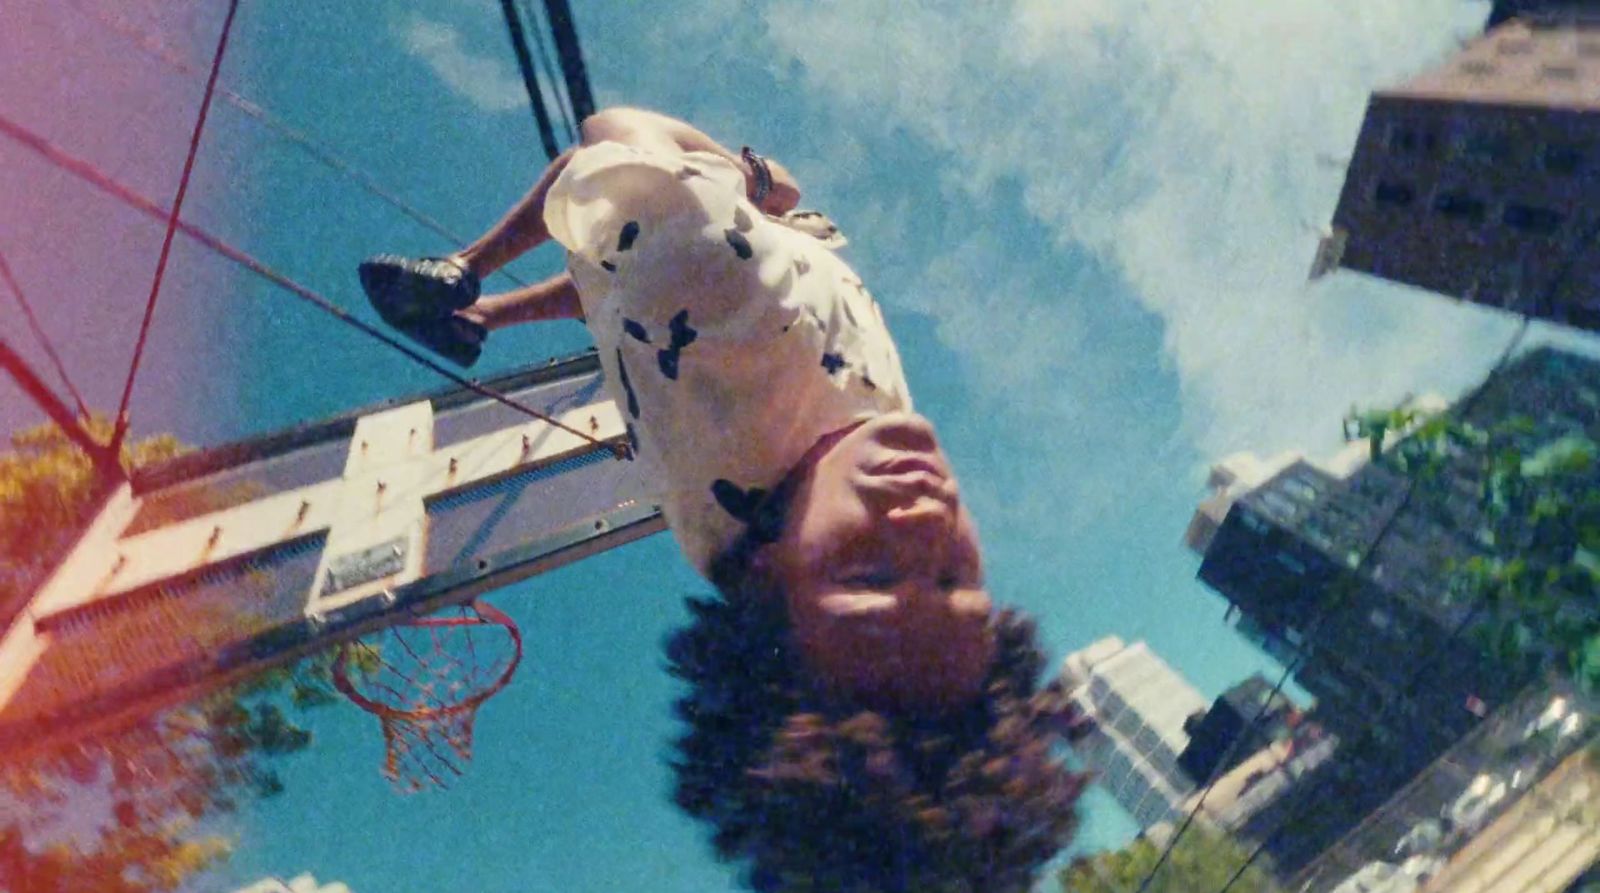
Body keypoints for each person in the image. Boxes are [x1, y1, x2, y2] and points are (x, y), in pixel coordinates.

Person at [360, 107, 1080, 891]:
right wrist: (500, 316)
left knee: (651, 196)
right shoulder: (827, 461)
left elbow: (615, 136)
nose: (923, 516)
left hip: (707, 272)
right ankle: (478, 314)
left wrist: (745, 179)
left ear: (771, 583)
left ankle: (461, 273)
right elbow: (623, 270)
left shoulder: (736, 302)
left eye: (869, 575)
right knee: (637, 240)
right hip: (682, 293)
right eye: (953, 579)